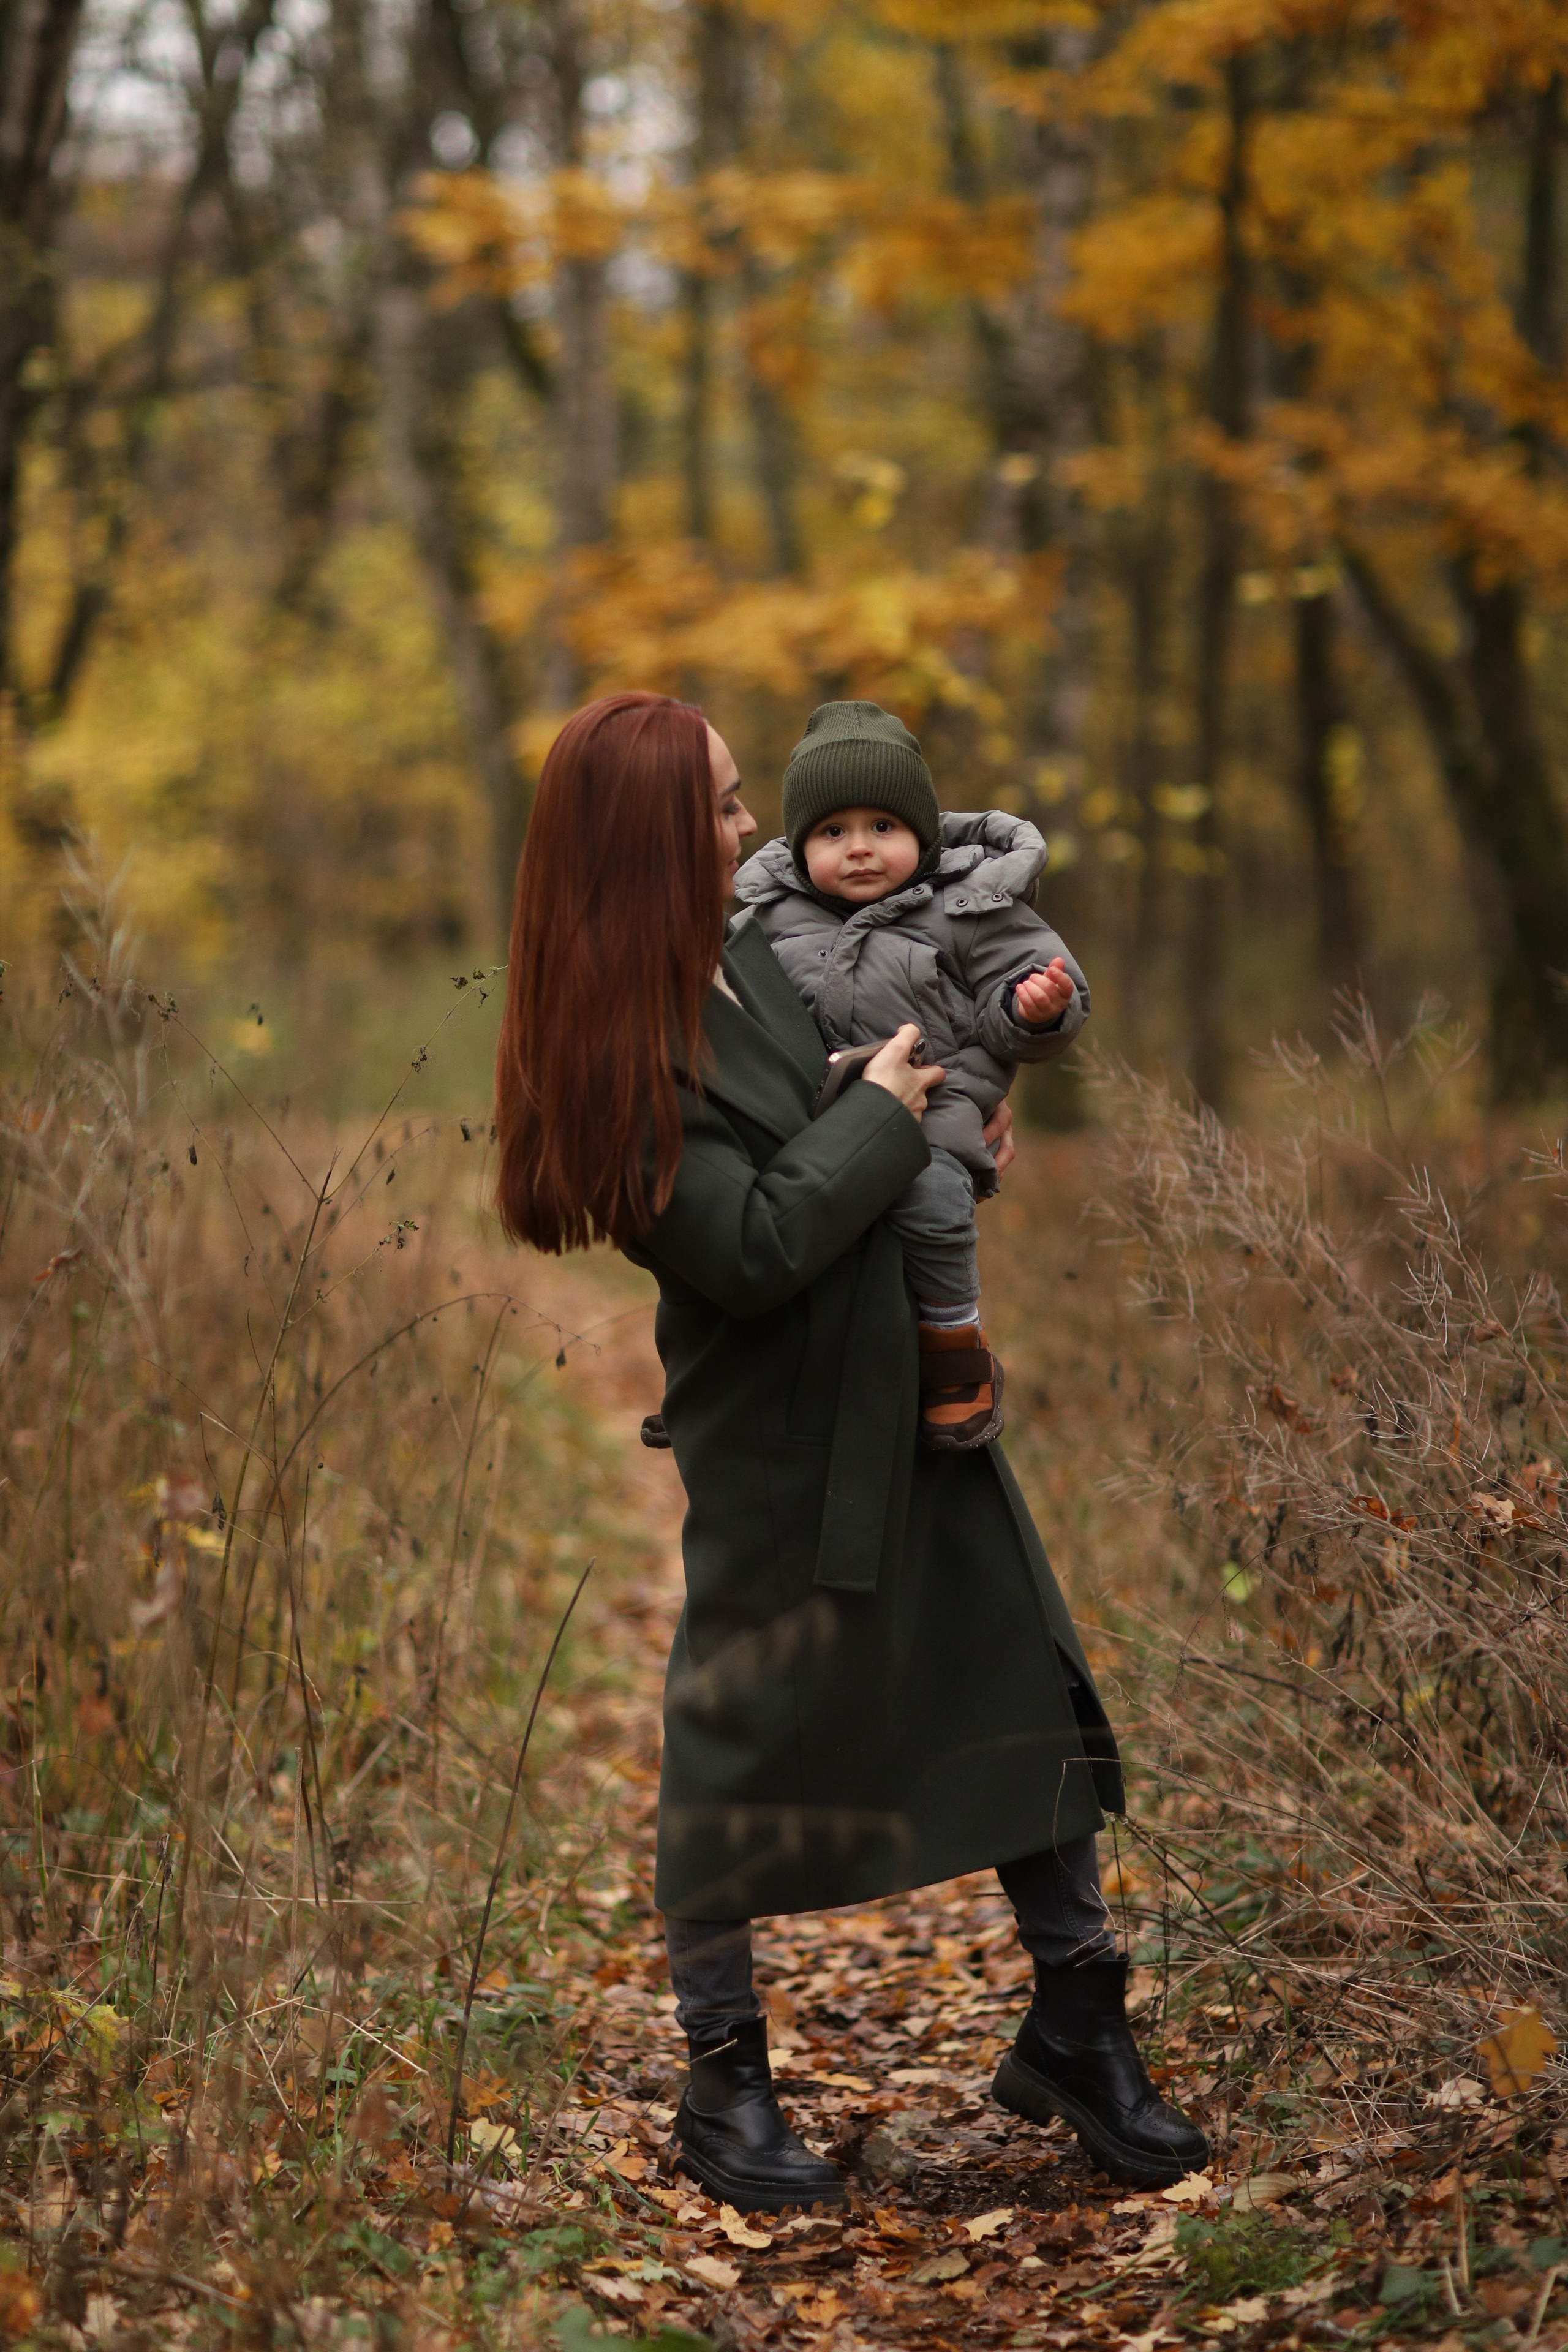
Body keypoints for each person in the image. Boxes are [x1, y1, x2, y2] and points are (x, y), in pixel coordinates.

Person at [493, 690, 1207, 2214]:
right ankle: (721, 2077)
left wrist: (949, 1121)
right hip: (777, 1433)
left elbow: (900, 1075)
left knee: (1020, 1666)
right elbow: (747, 1245)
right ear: (645, 842)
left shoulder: (759, 954)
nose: (757, 831)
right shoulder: (610, 1047)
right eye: (726, 807)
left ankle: (1079, 2024)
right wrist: (883, 1120)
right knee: (736, 1741)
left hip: (913, 1379)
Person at [733, 697, 1088, 1450]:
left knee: (929, 1201)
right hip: (811, 1108)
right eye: (833, 832)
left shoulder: (968, 905)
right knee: (762, 1212)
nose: (858, 849)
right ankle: (737, 1370)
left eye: (882, 828)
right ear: (799, 848)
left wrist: (1033, 1010)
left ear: (921, 835)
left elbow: (1018, 994)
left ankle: (953, 1344)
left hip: (937, 1098)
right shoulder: (766, 915)